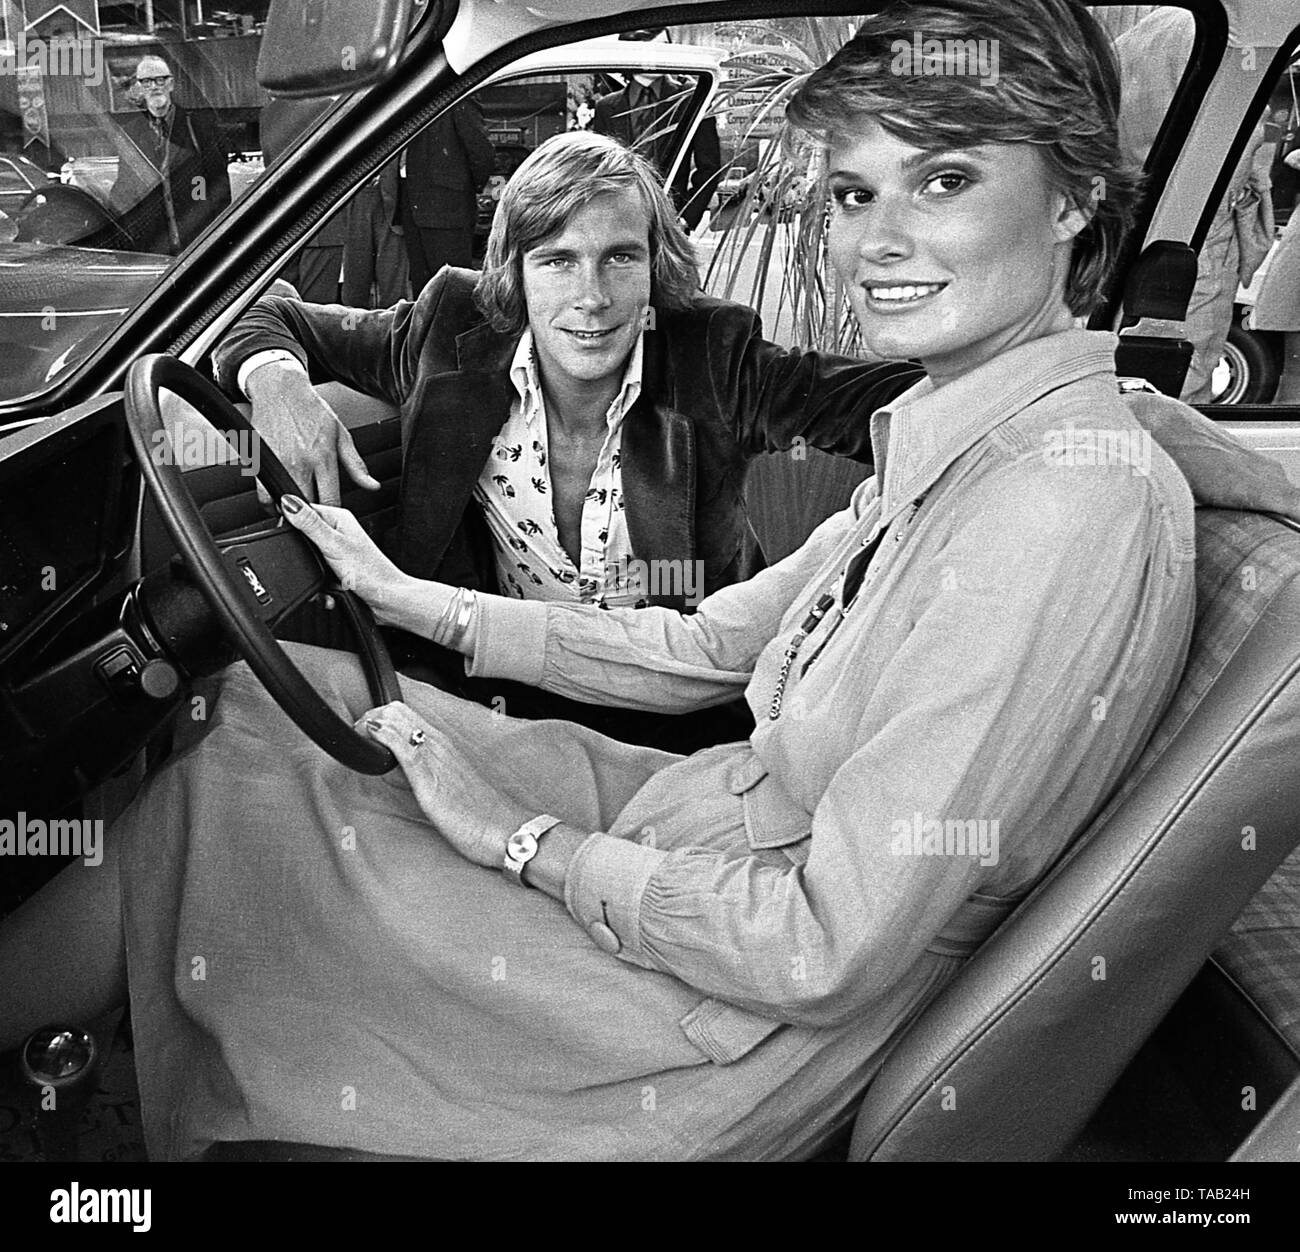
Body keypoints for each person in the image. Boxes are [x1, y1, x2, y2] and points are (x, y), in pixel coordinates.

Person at [2, 0, 1216, 1161]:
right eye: (852, 193)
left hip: (715, 1020)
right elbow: (706, 645)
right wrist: (399, 590)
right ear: (512, 274)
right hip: (688, 810)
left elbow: (820, 946)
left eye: (944, 180)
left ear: (1074, 202)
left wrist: (515, 838)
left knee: (211, 801)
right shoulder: (964, 432)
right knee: (255, 709)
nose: (875, 243)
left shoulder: (1055, 498)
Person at [212, 130, 920, 745]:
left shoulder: (712, 353)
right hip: (497, 698)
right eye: (557, 259)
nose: (592, 296)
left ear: (655, 265)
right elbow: (266, 311)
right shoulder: (449, 332)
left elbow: (901, 401)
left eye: (619, 257)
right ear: (515, 272)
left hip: (675, 716)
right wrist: (277, 383)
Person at [1116, 8, 1274, 404]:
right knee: (1186, 374)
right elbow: (1243, 144)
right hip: (1200, 233)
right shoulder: (1227, 33)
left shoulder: (1145, 33)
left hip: (1131, 221)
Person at [109, 55, 232, 256]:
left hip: (198, 244)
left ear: (171, 84)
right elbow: (124, 191)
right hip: (155, 249)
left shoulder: (199, 128)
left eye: (160, 80)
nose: (155, 87)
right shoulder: (130, 135)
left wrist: (216, 240)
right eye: (147, 82)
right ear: (139, 88)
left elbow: (219, 187)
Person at [594, 66, 723, 232]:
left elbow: (709, 166)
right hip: (619, 220)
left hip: (670, 218)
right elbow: (599, 170)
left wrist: (686, 218)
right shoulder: (606, 107)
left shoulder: (691, 98)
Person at [259, 96, 350, 304]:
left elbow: (268, 165)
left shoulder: (269, 112)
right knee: (316, 309)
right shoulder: (328, 106)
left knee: (287, 304)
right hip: (324, 225)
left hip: (285, 221)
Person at [400, 99, 495, 288]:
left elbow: (481, 151)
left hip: (446, 209)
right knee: (425, 290)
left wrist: (462, 187)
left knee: (451, 289)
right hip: (416, 208)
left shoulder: (457, 100)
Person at [342, 154, 409, 306]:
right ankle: (349, 328)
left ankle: (393, 328)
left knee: (394, 285)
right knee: (354, 284)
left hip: (393, 201)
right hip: (355, 198)